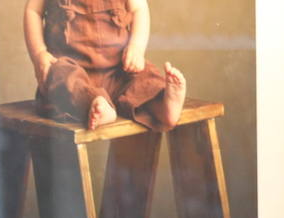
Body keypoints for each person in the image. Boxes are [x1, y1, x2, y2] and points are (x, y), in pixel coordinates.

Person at [24, 0, 186, 132]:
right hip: (73, 74)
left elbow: (139, 9)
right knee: (57, 74)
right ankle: (96, 104)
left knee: (144, 76)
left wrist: (136, 47)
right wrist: (39, 53)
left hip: (119, 71)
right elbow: (33, 11)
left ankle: (162, 105)